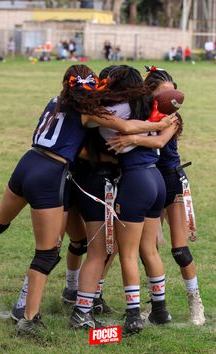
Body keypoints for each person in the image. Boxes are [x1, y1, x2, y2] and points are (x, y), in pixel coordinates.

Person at [0, 64, 175, 336]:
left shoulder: (58, 100)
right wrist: (159, 125)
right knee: (59, 251)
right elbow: (125, 127)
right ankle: (48, 312)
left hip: (32, 164)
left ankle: (60, 295)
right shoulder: (95, 109)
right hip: (62, 177)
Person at [69, 65, 178, 333]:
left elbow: (101, 121)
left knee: (127, 253)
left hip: (135, 181)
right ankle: (161, 310)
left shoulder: (111, 111)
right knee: (149, 249)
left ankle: (132, 316)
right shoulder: (149, 105)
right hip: (157, 181)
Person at [143, 66, 205, 326]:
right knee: (149, 248)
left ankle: (195, 301)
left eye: (173, 94)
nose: (172, 101)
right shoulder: (140, 114)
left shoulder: (173, 119)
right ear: (149, 94)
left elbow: (157, 142)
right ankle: (157, 305)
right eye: (164, 95)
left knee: (179, 249)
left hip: (171, 180)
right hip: (147, 180)